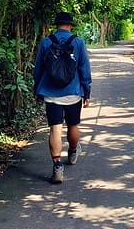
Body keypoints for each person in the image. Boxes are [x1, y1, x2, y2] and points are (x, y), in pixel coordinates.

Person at [33, 11, 92, 184]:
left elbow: (38, 70)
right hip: (73, 93)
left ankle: (57, 166)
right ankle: (73, 152)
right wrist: (86, 91)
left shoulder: (46, 42)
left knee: (55, 129)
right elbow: (84, 69)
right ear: (70, 25)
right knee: (73, 125)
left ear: (56, 25)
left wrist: (37, 89)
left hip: (51, 94)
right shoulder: (78, 42)